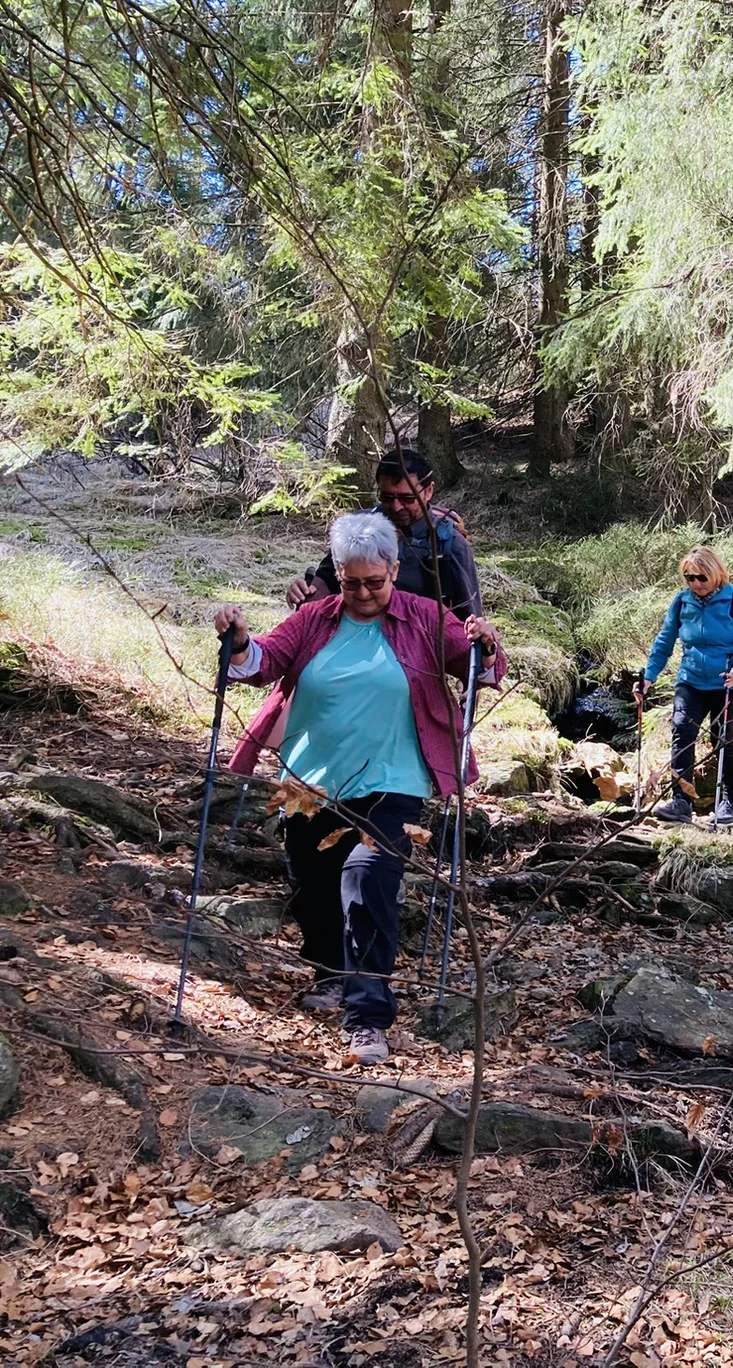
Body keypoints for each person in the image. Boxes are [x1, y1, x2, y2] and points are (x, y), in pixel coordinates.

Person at [219, 513, 503, 1066]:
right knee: (312, 881)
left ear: (394, 570)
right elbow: (262, 663)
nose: (364, 593)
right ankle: (329, 972)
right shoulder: (314, 618)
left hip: (394, 779)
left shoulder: (424, 617)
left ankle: (367, 1017)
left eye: (375, 581)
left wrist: (485, 648)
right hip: (307, 778)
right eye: (352, 583)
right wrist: (239, 641)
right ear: (339, 574)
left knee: (367, 877)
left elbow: (480, 670)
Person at [287, 448, 482, 620]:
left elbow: (470, 619)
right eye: (387, 497)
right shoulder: (356, 528)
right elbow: (325, 583)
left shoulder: (449, 544)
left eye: (407, 498)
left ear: (428, 491)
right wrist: (304, 594)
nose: (396, 507)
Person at [639, 546, 733, 827]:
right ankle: (682, 801)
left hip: (729, 683)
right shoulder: (682, 602)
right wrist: (648, 675)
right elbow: (664, 641)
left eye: (701, 577)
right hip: (691, 680)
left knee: (721, 739)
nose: (695, 583)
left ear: (715, 573)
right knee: (682, 733)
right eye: (689, 578)